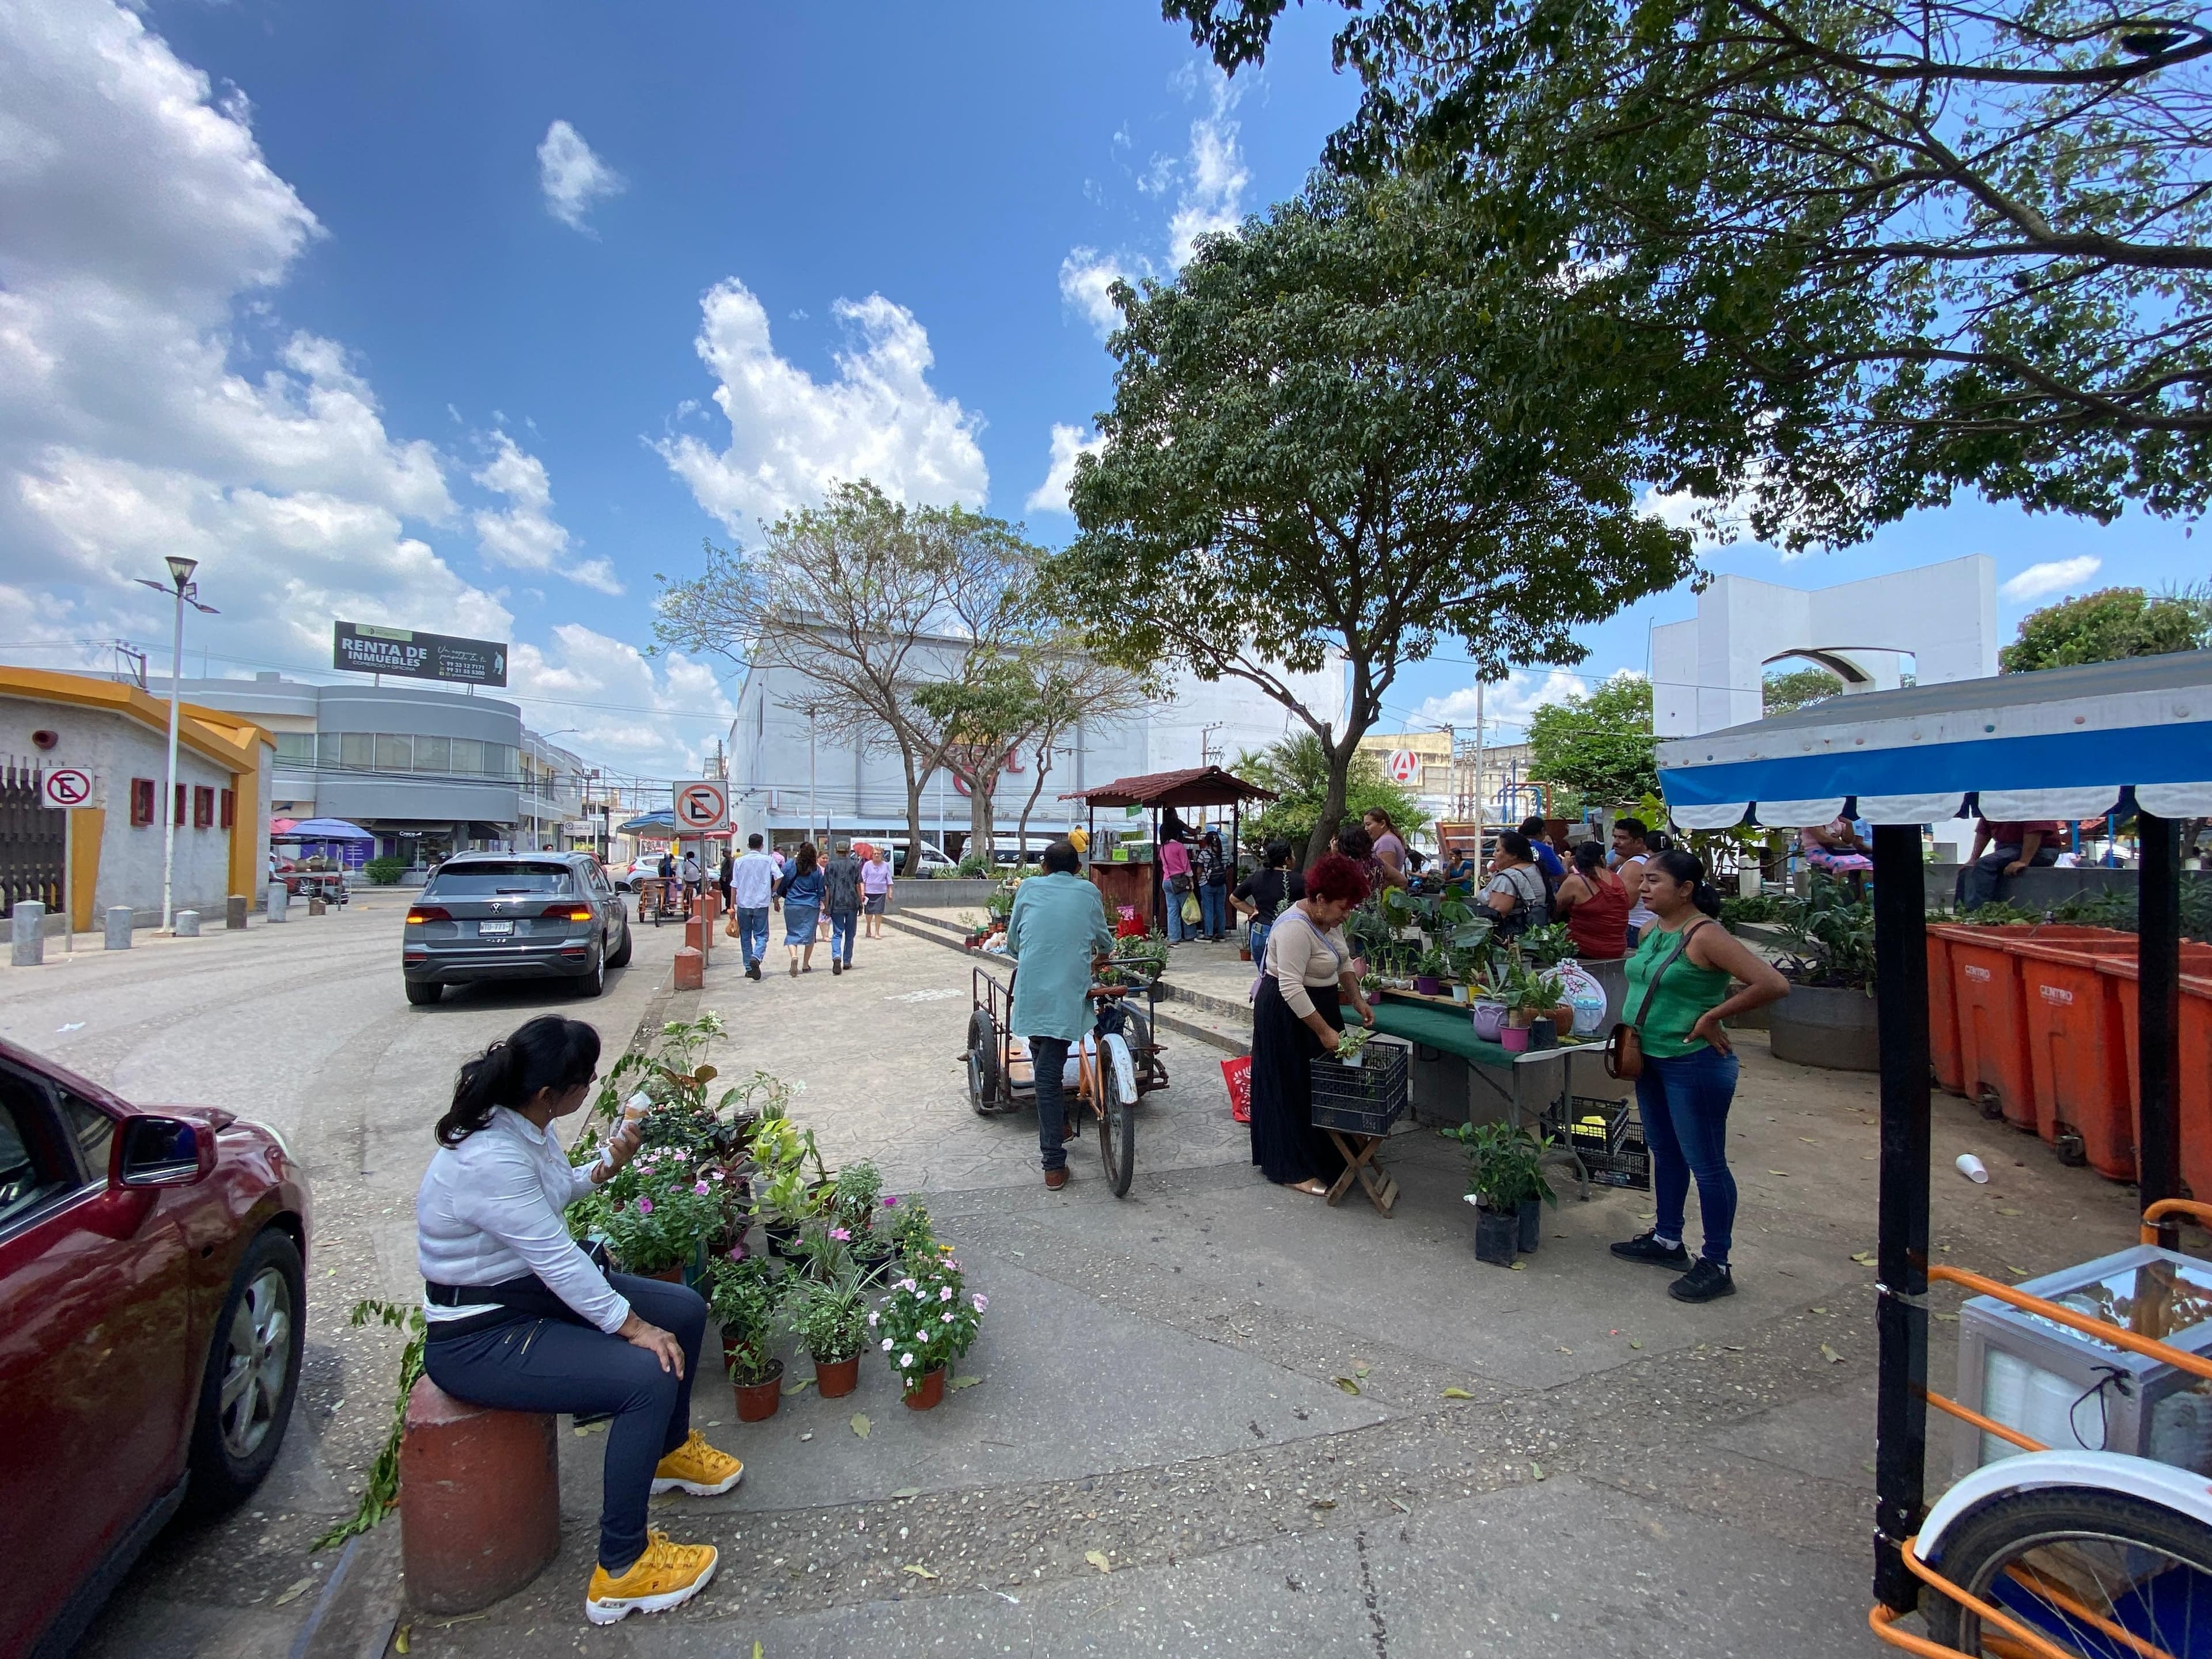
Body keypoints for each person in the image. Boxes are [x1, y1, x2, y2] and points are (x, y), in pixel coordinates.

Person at [415, 1017, 741, 1625]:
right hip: (481, 1331)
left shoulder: (524, 1125)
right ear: (549, 1093)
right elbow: (555, 1257)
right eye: (586, 1080)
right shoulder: (491, 1156)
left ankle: (667, 1454)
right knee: (647, 1372)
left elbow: (551, 1199)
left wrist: (607, 1165)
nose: (592, 1086)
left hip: (522, 1293)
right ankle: (622, 1569)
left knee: (685, 1311)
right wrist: (632, 1327)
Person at [1608, 851, 1790, 1303]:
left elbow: (1773, 984)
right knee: (1665, 1151)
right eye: (1643, 880)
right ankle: (1668, 1240)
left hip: (1694, 1064)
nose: (1644, 888)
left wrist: (1713, 1017)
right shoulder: (1651, 930)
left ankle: (1717, 1262)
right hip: (1648, 1057)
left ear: (1686, 889)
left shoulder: (1706, 936)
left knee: (1706, 1163)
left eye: (1655, 881)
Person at [1249, 854, 1375, 1194]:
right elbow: (1290, 986)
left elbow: (1344, 961)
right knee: (1291, 1086)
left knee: (1320, 1086)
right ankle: (1291, 1168)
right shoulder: (1294, 927)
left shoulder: (1328, 924)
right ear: (1319, 900)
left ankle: (1329, 1154)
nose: (1345, 915)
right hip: (1287, 1012)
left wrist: (1358, 998)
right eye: (1341, 908)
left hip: (1318, 1007)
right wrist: (1324, 1031)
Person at [1003, 839, 1115, 1190]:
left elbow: (1012, 944)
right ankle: (1056, 1147)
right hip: (1068, 992)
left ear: (1044, 868)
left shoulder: (1028, 888)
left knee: (1046, 1068)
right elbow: (1105, 941)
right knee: (1047, 1065)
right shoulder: (1088, 892)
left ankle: (1055, 1151)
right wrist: (1097, 956)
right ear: (1079, 869)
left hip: (1033, 990)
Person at [1959, 816, 2063, 911]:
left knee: (1985, 864)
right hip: (2008, 848)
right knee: (1967, 870)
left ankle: (1976, 912)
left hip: (2041, 849)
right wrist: (1973, 859)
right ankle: (1960, 912)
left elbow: (2036, 831)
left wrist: (2024, 861)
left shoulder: (2029, 801)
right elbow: (1984, 832)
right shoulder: (1990, 805)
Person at [1554, 840, 1630, 960]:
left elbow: (1554, 910)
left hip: (1586, 949)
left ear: (1577, 862)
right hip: (1618, 948)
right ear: (1602, 859)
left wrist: (1564, 865)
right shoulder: (1616, 878)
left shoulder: (1575, 882)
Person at [1230, 839, 1294, 971]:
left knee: (1264, 974)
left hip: (1260, 932)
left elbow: (1234, 899)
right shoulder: (1299, 881)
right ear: (1288, 860)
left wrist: (1252, 911)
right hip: (1288, 933)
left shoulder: (1257, 878)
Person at [1482, 831, 1550, 938]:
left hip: (1509, 938)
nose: (1494, 854)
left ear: (1514, 855)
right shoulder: (1532, 867)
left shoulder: (1509, 877)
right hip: (1531, 934)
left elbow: (1495, 917)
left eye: (1498, 850)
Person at [728, 833, 776, 981]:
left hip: (743, 903)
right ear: (762, 845)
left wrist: (731, 906)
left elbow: (734, 884)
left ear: (748, 846)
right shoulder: (768, 860)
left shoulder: (739, 861)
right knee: (762, 935)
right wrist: (772, 891)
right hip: (761, 902)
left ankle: (749, 968)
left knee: (746, 936)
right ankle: (757, 956)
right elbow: (779, 876)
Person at [775, 842, 824, 976]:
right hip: (811, 905)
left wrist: (776, 898)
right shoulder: (816, 869)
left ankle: (794, 957)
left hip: (792, 904)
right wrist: (825, 903)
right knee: (810, 934)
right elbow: (821, 889)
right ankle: (806, 964)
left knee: (792, 933)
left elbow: (782, 882)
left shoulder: (790, 865)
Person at [821, 839, 863, 974]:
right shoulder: (854, 865)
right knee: (850, 934)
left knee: (837, 933)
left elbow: (827, 888)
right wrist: (860, 902)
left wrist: (827, 906)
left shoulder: (830, 866)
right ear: (847, 852)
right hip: (852, 903)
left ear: (836, 851)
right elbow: (858, 885)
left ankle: (836, 956)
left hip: (836, 903)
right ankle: (847, 960)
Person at [1612, 817, 1655, 945]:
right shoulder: (1647, 860)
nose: (1616, 842)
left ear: (1639, 842)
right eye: (1615, 837)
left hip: (1633, 928)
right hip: (1643, 926)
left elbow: (1626, 903)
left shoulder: (1634, 865)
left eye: (1622, 838)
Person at [1158, 823, 1195, 944]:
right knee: (1186, 908)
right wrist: (1191, 880)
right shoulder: (1179, 847)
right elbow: (1186, 866)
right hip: (1180, 882)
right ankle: (1190, 934)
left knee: (1172, 910)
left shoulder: (1162, 848)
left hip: (1167, 881)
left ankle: (1174, 936)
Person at [1194, 828, 1230, 942]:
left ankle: (1208, 934)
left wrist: (1200, 882)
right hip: (1221, 884)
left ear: (1207, 841)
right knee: (1220, 908)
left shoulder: (1204, 854)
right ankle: (1221, 933)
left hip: (1207, 885)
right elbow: (1227, 870)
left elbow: (1199, 870)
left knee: (1208, 909)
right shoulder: (1224, 853)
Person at [1519, 815, 1567, 900]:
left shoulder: (1513, 845)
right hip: (1538, 898)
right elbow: (1560, 878)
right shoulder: (1544, 850)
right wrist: (1566, 864)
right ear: (1542, 831)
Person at [1362, 809, 1409, 890]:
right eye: (1365, 825)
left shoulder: (1386, 842)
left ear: (1383, 824)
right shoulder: (1388, 839)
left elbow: (1386, 876)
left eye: (1369, 825)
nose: (1366, 829)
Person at [861, 844, 894, 939]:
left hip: (881, 892)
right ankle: (868, 928)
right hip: (869, 892)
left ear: (882, 855)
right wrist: (862, 892)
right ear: (872, 855)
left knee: (879, 912)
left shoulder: (885, 865)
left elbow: (889, 879)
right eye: (875, 854)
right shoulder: (867, 865)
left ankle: (877, 932)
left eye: (879, 854)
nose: (877, 855)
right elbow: (862, 879)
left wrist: (890, 892)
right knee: (869, 912)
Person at [678, 847, 703, 911]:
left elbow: (683, 872)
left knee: (686, 889)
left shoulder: (685, 863)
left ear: (688, 857)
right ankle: (699, 894)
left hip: (688, 881)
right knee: (700, 886)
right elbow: (700, 870)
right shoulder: (697, 862)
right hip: (697, 880)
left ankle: (686, 898)